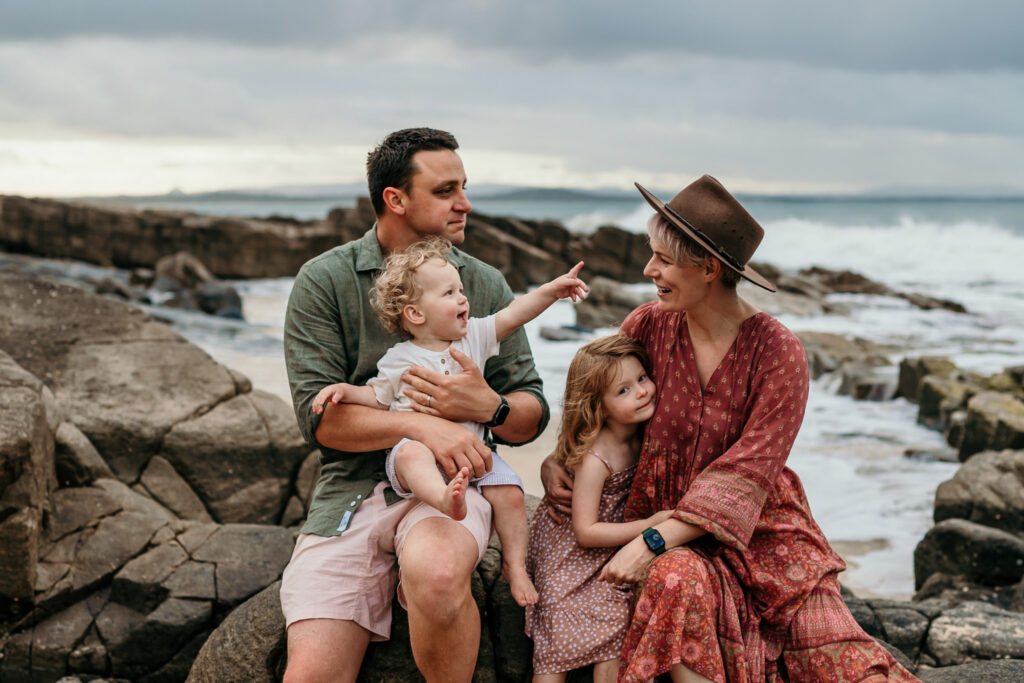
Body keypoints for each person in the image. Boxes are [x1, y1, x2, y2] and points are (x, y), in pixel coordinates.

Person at [541, 175, 920, 682]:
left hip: (765, 540)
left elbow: (751, 468)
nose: (649, 269)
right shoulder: (647, 327)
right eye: (651, 254)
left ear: (710, 268)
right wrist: (560, 459)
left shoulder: (778, 352)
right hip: (670, 532)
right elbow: (598, 398)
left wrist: (652, 541)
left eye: (663, 259)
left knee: (851, 669)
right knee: (676, 580)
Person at [280, 127, 550, 683]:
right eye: (446, 189)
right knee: (310, 674)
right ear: (394, 199)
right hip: (349, 495)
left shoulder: (481, 283)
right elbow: (322, 420)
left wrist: (489, 407)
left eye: (464, 187)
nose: (465, 203)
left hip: (454, 485)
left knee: (435, 575)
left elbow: (531, 414)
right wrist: (423, 428)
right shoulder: (324, 280)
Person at [310, 236, 587, 607]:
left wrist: (552, 292)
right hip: (421, 450)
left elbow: (514, 314)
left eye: (461, 289)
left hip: (474, 455)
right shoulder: (399, 359)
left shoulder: (474, 337)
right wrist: (344, 390)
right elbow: (376, 397)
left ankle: (515, 566)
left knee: (511, 493)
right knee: (409, 456)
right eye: (449, 293)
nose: (463, 299)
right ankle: (441, 498)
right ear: (415, 314)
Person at [526, 334, 675, 683]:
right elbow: (585, 531)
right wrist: (650, 525)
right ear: (598, 405)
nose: (641, 391)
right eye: (622, 390)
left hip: (606, 554)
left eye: (641, 378)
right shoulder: (596, 457)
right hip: (570, 558)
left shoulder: (644, 435)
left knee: (616, 627)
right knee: (558, 633)